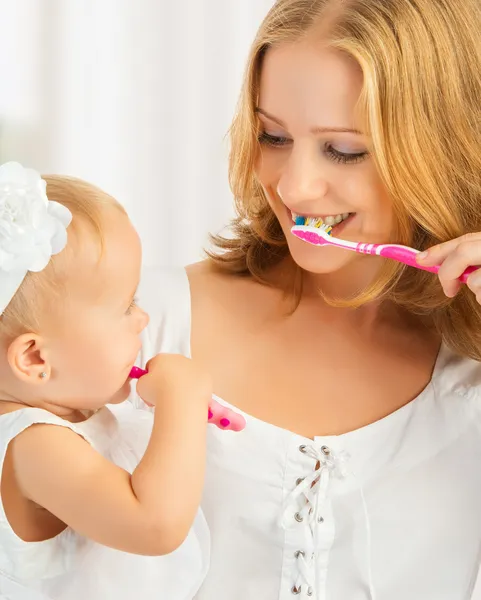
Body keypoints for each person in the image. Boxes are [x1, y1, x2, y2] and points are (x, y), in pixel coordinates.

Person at [132, 0, 481, 598]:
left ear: (445, 147)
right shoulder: (144, 322)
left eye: (343, 149)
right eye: (273, 136)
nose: (293, 187)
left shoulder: (468, 366)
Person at [0, 162, 236, 600]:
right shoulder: (35, 446)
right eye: (127, 306)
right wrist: (181, 398)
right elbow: (155, 526)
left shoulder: (69, 415)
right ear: (35, 358)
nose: (143, 319)